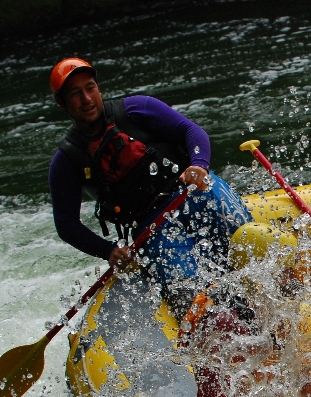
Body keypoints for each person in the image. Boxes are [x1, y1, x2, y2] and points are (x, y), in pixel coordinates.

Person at [47, 57, 252, 327]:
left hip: (193, 192)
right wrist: (108, 250)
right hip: (151, 229)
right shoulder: (67, 161)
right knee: (192, 299)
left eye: (90, 88)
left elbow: (190, 130)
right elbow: (66, 224)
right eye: (76, 94)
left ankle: (283, 288)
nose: (86, 99)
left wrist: (198, 165)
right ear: (63, 103)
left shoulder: (136, 109)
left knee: (248, 242)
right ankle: (226, 330)